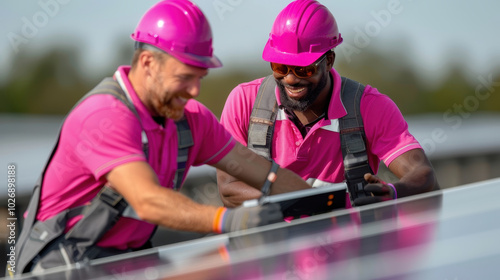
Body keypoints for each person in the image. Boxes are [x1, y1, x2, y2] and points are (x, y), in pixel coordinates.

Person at [14, 0, 312, 275]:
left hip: (126, 262)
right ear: (147, 63)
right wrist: (229, 220)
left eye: (200, 77)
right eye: (184, 77)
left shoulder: (189, 118)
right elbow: (148, 201)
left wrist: (322, 203)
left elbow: (260, 171)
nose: (195, 90)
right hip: (63, 266)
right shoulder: (104, 116)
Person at [217, 0, 439, 208]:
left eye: (304, 69)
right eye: (280, 67)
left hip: (350, 244)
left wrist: (392, 192)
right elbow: (228, 188)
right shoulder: (244, 102)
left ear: (329, 61)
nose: (291, 79)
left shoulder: (370, 107)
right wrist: (305, 201)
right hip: (269, 243)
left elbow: (423, 176)